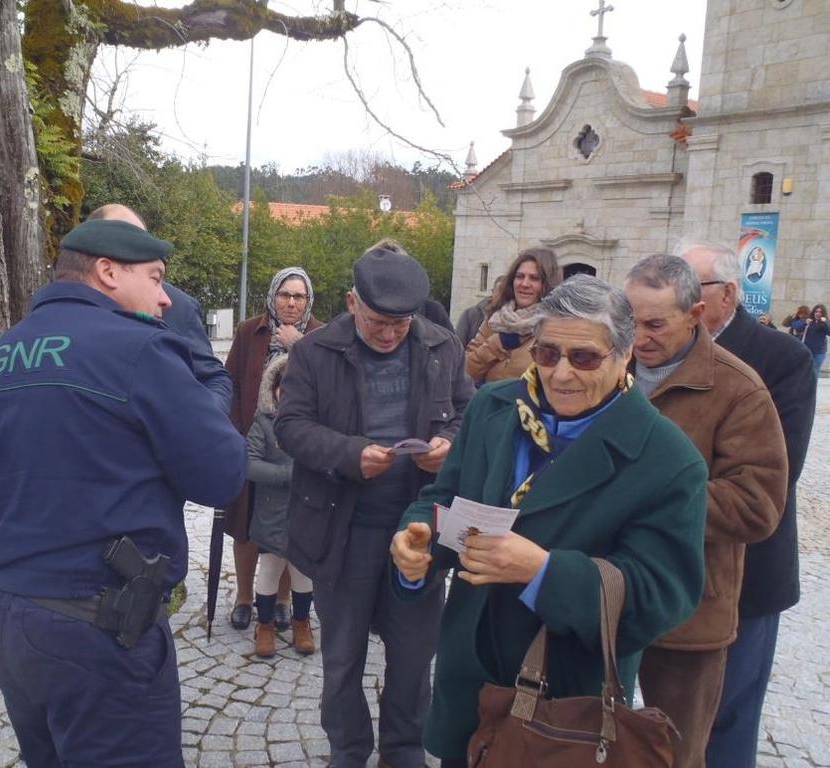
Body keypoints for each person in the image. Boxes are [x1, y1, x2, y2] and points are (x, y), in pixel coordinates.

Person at [0, 219, 247, 767]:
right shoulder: (141, 352)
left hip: (13, 621)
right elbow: (223, 474)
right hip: (104, 630)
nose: (164, 299)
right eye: (156, 278)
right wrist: (204, 401)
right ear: (107, 271)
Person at [388, 274, 708, 767]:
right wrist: (419, 540)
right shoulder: (493, 409)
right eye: (547, 353)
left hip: (564, 708)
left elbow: (659, 598)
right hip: (470, 681)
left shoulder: (667, 459)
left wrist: (540, 571)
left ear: (625, 356)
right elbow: (445, 496)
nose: (561, 374)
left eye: (583, 358)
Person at [275, 243, 473, 768]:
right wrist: (348, 455)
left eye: (400, 324)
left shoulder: (440, 345)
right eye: (378, 323)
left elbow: (467, 412)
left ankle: (404, 753)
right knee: (341, 660)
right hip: (343, 530)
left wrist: (448, 446)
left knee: (413, 659)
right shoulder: (316, 351)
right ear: (351, 303)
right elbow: (290, 427)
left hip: (418, 531)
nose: (389, 334)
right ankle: (349, 750)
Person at [624, 253, 788, 768]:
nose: (638, 336)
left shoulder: (739, 389)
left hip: (688, 609)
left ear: (695, 314)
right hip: (604, 594)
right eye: (628, 321)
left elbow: (757, 506)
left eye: (654, 324)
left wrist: (647, 499)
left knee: (676, 755)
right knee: (585, 738)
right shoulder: (607, 367)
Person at [680, 242, 816, 768]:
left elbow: (778, 472)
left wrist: (660, 491)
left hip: (747, 569)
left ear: (728, 293)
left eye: (691, 290)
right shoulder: (659, 349)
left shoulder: (783, 358)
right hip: (670, 561)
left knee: (729, 714)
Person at [225, 267, 322, 630]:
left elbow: (329, 382)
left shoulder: (319, 336)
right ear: (272, 296)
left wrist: (299, 344)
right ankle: (245, 597)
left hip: (295, 447)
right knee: (245, 522)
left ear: (307, 300)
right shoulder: (250, 331)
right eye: (285, 295)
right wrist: (235, 430)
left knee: (288, 525)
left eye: (298, 296)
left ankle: (282, 600)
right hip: (252, 443)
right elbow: (231, 381)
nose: (291, 302)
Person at [87, 203, 231, 411]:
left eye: (138, 238)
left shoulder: (177, 306)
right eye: (120, 236)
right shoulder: (63, 307)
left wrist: (195, 423)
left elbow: (214, 379)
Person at [246, 353, 315, 658]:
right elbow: (249, 465)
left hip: (306, 512)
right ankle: (264, 625)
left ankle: (302, 622)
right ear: (272, 389)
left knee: (303, 574)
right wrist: (289, 475)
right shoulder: (262, 423)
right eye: (283, 388)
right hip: (272, 512)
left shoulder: (315, 424)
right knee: (269, 571)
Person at [465, 248, 562, 384]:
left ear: (547, 284)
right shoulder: (496, 318)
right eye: (520, 276)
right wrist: (497, 344)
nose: (524, 284)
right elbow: (465, 371)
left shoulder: (555, 327)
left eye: (534, 278)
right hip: (489, 403)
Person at [801, 302, 828, 376]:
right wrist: (805, 323)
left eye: (820, 312)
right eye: (816, 311)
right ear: (814, 312)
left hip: (819, 352)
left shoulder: (825, 323)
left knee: (815, 370)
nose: (818, 313)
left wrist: (826, 322)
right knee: (806, 370)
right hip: (808, 349)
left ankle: (812, 387)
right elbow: (798, 329)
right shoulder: (809, 321)